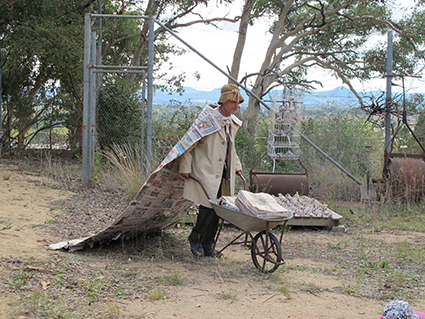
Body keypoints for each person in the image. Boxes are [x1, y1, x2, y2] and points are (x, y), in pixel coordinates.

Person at [179, 83, 244, 257]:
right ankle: (196, 239)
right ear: (224, 102)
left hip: (223, 173)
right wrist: (185, 165)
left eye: (238, 103)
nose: (236, 106)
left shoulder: (230, 122)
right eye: (233, 103)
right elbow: (189, 142)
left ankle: (208, 245)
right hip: (206, 170)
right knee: (207, 208)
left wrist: (236, 166)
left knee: (219, 209)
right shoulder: (207, 119)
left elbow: (231, 148)